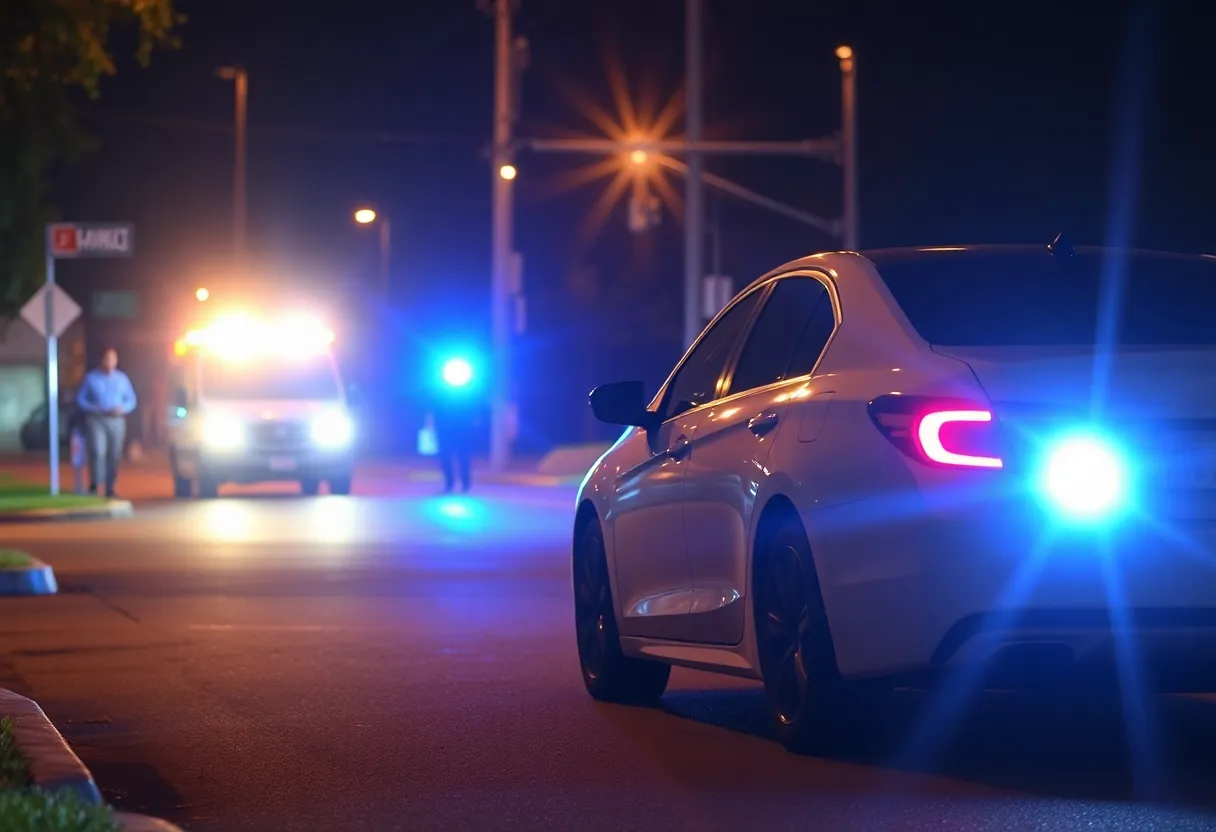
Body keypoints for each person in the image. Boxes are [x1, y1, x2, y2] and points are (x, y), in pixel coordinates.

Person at [75, 347, 137, 497]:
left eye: (113, 358)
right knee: (98, 451)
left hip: (116, 420)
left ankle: (110, 487)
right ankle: (95, 485)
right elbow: (80, 399)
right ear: (102, 360)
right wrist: (94, 407)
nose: (110, 362)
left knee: (114, 454)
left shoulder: (122, 379)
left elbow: (132, 400)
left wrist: (123, 408)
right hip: (97, 420)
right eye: (107, 358)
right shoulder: (91, 378)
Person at [428, 392, 479, 494]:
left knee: (463, 457)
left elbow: (474, 413)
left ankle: (465, 484)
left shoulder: (466, 397)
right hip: (445, 430)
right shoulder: (439, 396)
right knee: (446, 458)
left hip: (462, 430)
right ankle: (449, 484)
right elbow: (433, 411)